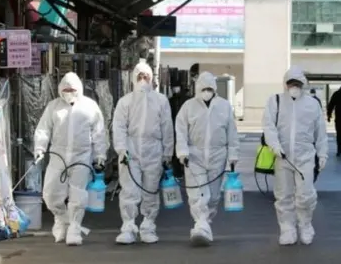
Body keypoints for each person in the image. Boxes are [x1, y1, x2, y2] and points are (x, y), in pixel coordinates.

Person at [34, 72, 107, 246]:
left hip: (81, 155)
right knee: (50, 193)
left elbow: (99, 133)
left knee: (78, 194)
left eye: (72, 89)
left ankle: (74, 227)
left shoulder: (90, 107)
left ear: (79, 89)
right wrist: (39, 148)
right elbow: (44, 129)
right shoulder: (54, 107)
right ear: (60, 89)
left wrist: (100, 155)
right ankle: (61, 219)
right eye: (65, 89)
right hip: (58, 155)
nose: (69, 92)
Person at [262, 66, 329, 245]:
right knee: (283, 196)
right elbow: (269, 127)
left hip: (305, 157)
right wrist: (275, 146)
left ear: (303, 85)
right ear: (285, 84)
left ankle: (305, 225)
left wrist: (322, 154)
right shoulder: (274, 101)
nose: (294, 87)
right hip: (282, 157)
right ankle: (287, 229)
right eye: (291, 83)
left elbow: (320, 132)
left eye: (298, 84)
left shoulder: (312, 104)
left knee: (306, 195)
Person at [112, 62, 174, 245]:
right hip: (131, 151)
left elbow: (167, 128)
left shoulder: (161, 101)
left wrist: (167, 153)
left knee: (151, 189)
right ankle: (128, 226)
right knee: (129, 190)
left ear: (151, 79)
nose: (142, 80)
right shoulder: (125, 102)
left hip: (154, 151)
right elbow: (119, 127)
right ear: (133, 79)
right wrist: (121, 150)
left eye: (146, 76)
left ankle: (148, 226)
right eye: (139, 77)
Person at [175, 72, 239, 246]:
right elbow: (180, 130)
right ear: (198, 89)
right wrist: (182, 152)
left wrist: (233, 155)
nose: (207, 92)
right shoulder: (188, 106)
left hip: (218, 156)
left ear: (215, 89)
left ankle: (205, 225)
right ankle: (200, 224)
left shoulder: (224, 106)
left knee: (213, 195)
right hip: (194, 156)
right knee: (197, 193)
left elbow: (232, 133)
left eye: (210, 89)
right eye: (204, 88)